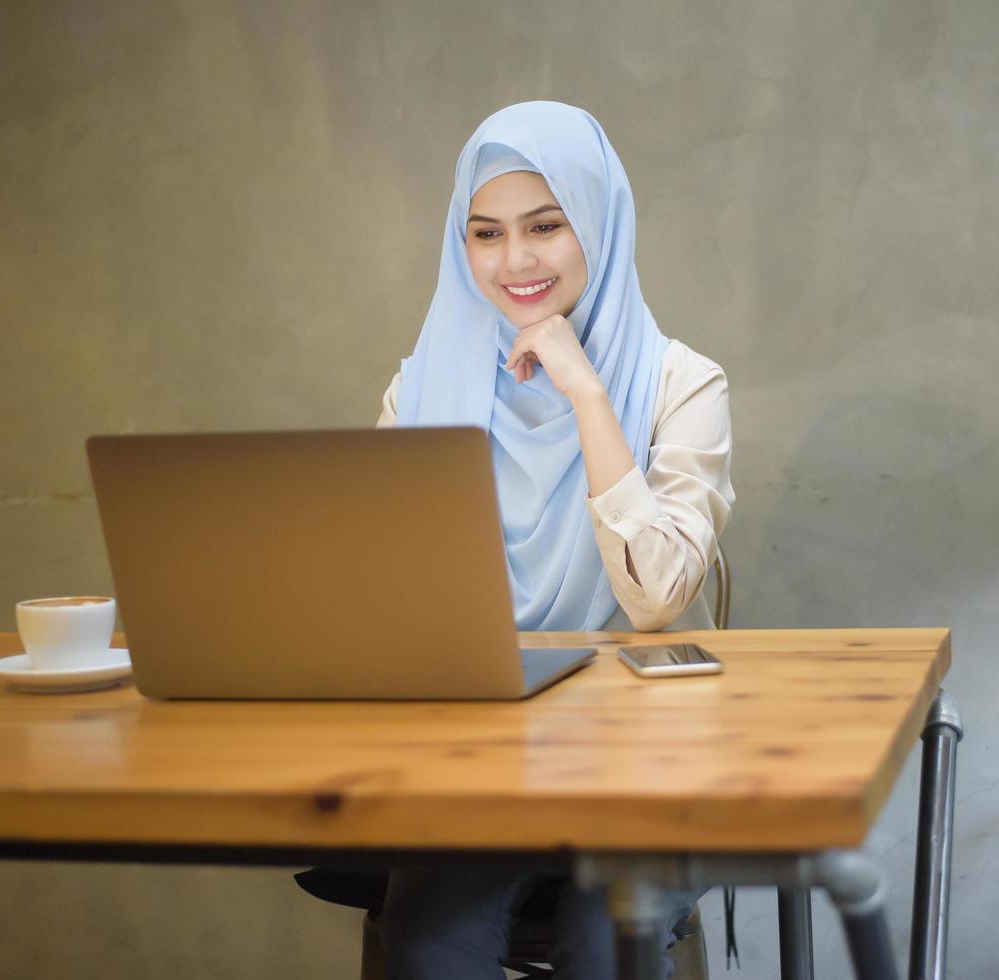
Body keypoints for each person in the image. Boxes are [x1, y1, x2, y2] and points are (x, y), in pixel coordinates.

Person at [373, 101, 734, 979]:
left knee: (604, 940)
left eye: (546, 225)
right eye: (486, 233)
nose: (516, 260)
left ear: (599, 223)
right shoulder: (419, 390)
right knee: (426, 944)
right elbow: (387, 597)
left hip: (646, 749)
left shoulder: (683, 384)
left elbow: (660, 599)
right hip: (478, 749)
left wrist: (588, 396)